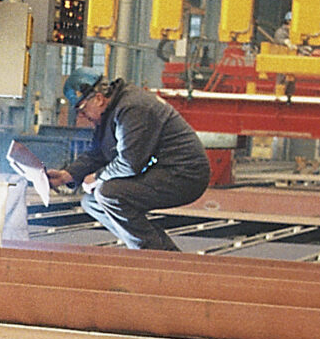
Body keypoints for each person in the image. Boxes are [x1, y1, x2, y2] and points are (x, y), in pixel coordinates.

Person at [63, 74, 210, 251]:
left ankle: (152, 256)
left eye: (82, 109)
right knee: (92, 202)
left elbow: (130, 163)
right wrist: (67, 175)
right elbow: (99, 153)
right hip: (163, 171)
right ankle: (162, 252)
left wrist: (97, 177)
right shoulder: (111, 111)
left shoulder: (132, 107)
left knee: (109, 194)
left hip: (185, 175)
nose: (82, 116)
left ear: (99, 99)